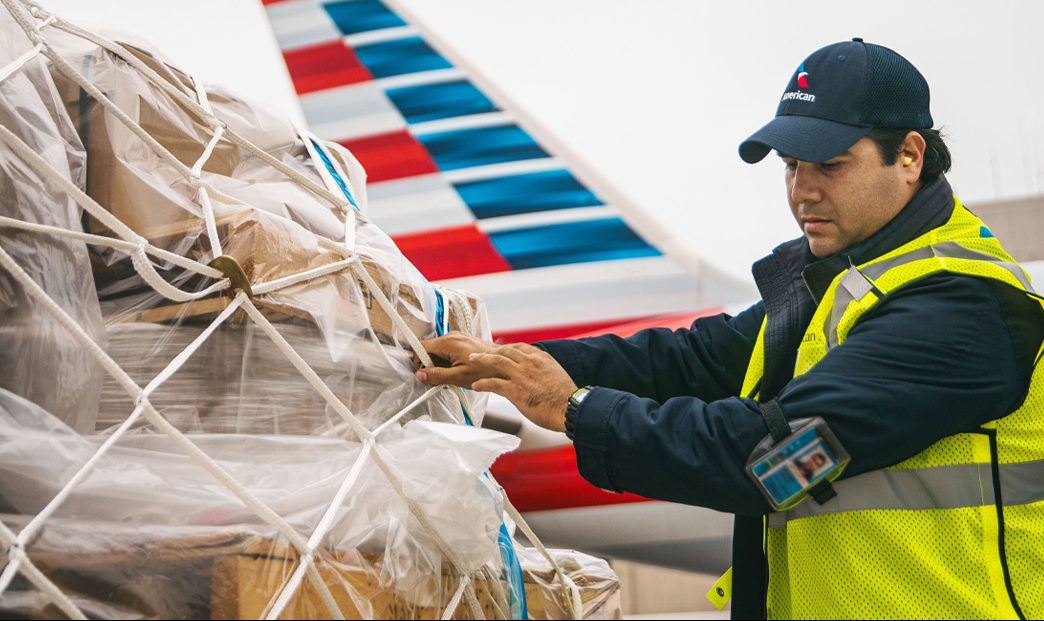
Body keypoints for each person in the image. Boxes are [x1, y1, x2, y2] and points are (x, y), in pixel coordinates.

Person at [415, 38, 1044, 619]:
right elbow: (688, 360)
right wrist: (507, 362)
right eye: (791, 166)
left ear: (909, 155)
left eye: (828, 165)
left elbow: (774, 464)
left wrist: (571, 407)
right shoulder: (841, 287)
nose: (803, 191)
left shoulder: (961, 310)